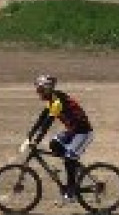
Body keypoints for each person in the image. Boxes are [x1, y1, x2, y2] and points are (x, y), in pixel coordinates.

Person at [27, 74, 95, 203]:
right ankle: (72, 166)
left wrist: (36, 141)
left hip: (83, 133)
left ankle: (71, 191)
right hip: (73, 131)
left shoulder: (58, 102)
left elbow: (47, 124)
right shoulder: (52, 99)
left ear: (47, 89)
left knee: (69, 158)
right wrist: (30, 134)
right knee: (54, 144)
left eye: (40, 90)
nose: (38, 93)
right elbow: (42, 118)